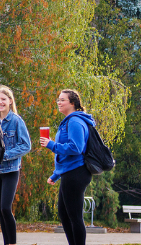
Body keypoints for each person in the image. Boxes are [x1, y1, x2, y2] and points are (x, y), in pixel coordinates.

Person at [40, 89, 95, 245]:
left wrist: (51, 144)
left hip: (76, 173)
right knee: (64, 215)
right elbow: (65, 153)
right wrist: (56, 174)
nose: (59, 102)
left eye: (62, 100)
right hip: (69, 172)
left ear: (72, 103)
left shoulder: (75, 121)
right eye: (58, 99)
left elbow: (76, 148)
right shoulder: (69, 120)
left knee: (74, 216)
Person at [0, 86, 31, 245]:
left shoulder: (16, 121)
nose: (0, 102)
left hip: (11, 170)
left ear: (10, 101)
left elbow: (26, 145)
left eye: (3, 99)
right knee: (0, 210)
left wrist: (3, 156)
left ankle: (12, 243)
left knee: (6, 208)